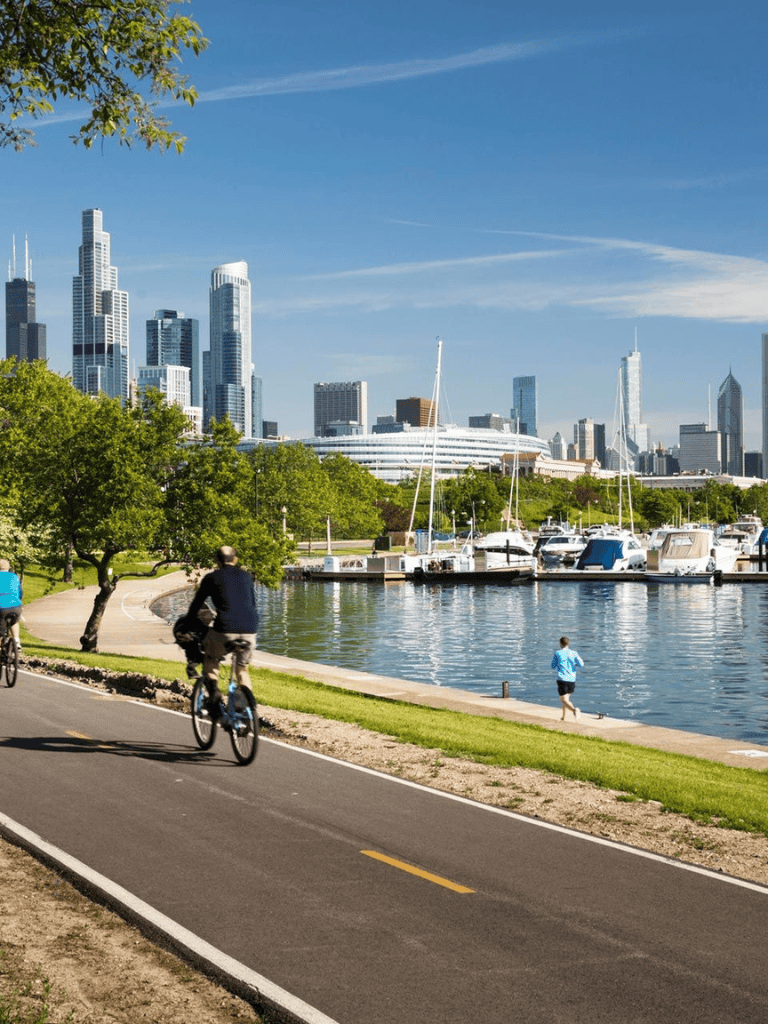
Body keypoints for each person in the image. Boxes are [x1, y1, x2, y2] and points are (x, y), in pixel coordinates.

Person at [184, 546, 258, 718]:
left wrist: (188, 624)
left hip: (225, 629)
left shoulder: (211, 578)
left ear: (216, 561)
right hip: (250, 628)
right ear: (235, 559)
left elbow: (196, 604)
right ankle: (244, 711)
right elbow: (252, 604)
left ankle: (215, 696)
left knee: (211, 657)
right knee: (242, 670)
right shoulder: (247, 577)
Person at [551, 635, 583, 721]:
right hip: (572, 679)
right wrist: (573, 664)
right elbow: (581, 664)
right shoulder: (574, 653)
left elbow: (552, 666)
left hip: (562, 679)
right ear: (568, 643)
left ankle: (574, 710)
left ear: (560, 644)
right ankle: (563, 717)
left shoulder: (558, 653)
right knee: (566, 699)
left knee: (563, 699)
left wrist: (558, 664)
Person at [0, 558, 23, 651]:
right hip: (16, 606)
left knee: (0, 632)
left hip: (1, 607)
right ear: (8, 567)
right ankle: (16, 640)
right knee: (15, 621)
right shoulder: (14, 576)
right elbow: (20, 591)